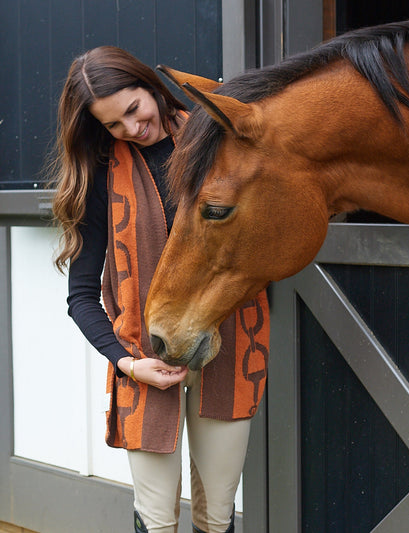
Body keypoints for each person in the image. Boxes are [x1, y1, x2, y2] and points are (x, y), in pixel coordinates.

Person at [50, 46, 269, 533]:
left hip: (229, 350)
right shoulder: (102, 172)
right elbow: (80, 298)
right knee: (156, 521)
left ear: (149, 86)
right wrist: (128, 363)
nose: (131, 129)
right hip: (144, 362)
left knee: (217, 517)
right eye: (113, 125)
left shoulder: (219, 141)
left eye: (133, 109)